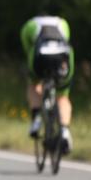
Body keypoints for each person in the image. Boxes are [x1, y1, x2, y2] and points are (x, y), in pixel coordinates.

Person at [20, 14, 74, 153]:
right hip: (63, 58)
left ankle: (37, 117)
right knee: (62, 97)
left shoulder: (29, 25)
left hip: (39, 58)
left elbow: (28, 49)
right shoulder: (63, 23)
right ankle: (65, 130)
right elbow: (66, 40)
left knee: (33, 85)